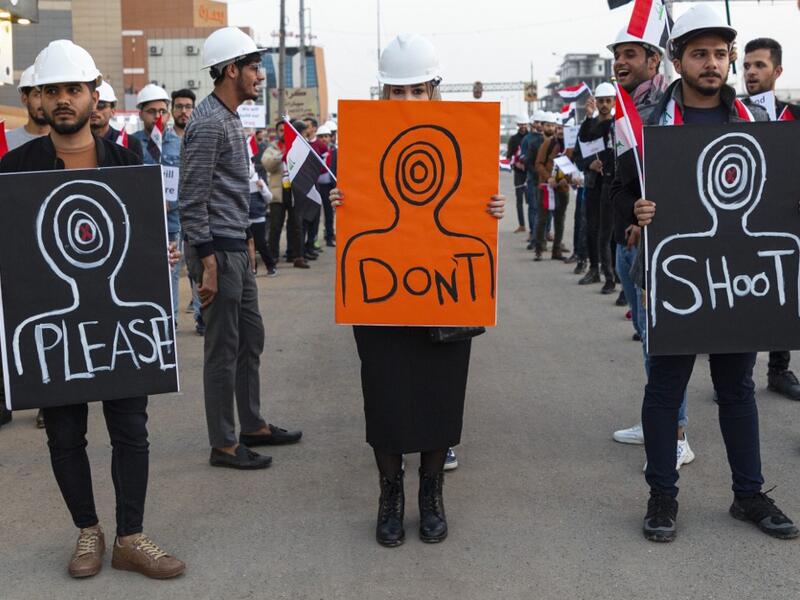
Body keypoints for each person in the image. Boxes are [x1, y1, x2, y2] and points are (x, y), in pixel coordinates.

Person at [0, 39, 185, 579]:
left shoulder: (129, 166)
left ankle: (130, 536)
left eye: (73, 90)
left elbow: (142, 239)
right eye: (52, 90)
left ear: (93, 94)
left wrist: (161, 252)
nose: (63, 100)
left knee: (132, 429)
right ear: (38, 98)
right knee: (64, 434)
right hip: (56, 330)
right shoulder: (14, 171)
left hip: (120, 328)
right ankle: (88, 531)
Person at [329, 33, 505, 547]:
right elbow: (352, 226)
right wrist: (342, 202)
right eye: (396, 91)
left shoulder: (467, 138)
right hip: (381, 297)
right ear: (382, 93)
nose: (406, 101)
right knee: (384, 395)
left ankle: (431, 493)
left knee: (439, 394)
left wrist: (489, 210)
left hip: (447, 296)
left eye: (417, 90)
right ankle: (391, 494)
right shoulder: (358, 141)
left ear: (434, 91)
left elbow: (477, 204)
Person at [631, 6, 796, 542]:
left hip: (738, 281)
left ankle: (749, 494)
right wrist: (635, 214)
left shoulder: (756, 122)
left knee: (737, 390)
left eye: (721, 54)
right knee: (665, 390)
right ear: (677, 59)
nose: (713, 64)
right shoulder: (652, 121)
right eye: (699, 54)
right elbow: (616, 187)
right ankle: (662, 496)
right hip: (678, 279)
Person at [180, 26, 302, 470]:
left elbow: (230, 190)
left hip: (235, 245)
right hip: (217, 252)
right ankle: (225, 443)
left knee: (251, 338)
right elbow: (192, 200)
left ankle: (252, 424)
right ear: (231, 69)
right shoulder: (210, 122)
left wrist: (249, 238)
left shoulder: (229, 117)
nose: (259, 75)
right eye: (253, 67)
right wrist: (209, 262)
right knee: (222, 348)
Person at [608, 28, 694, 470]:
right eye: (616, 56)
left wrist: (653, 219)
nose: (620, 62)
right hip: (631, 243)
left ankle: (676, 433)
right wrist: (630, 217)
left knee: (665, 342)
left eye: (629, 54)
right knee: (647, 339)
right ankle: (659, 420)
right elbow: (621, 184)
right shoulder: (622, 112)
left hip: (665, 247)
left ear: (655, 60)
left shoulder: (669, 109)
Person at [742, 37, 800, 401]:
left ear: (777, 71)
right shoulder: (731, 113)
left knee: (784, 294)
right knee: (741, 296)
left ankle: (778, 369)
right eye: (746, 66)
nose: (750, 72)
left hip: (786, 221)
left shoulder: (793, 115)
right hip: (743, 222)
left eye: (759, 66)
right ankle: (735, 375)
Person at [132, 84, 182, 322]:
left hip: (171, 222)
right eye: (151, 111)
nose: (158, 116)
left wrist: (169, 204)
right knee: (141, 272)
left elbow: (189, 183)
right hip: (140, 223)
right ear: (140, 113)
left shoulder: (181, 144)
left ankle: (169, 322)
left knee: (170, 273)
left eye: (162, 111)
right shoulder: (130, 144)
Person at [575, 84, 616, 294]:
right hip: (592, 184)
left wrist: (607, 167)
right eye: (601, 101)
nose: (605, 105)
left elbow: (620, 154)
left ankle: (612, 275)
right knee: (591, 228)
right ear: (595, 102)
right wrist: (590, 164)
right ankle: (593, 269)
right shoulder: (587, 126)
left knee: (609, 233)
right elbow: (578, 153)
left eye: (608, 100)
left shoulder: (616, 126)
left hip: (610, 184)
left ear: (614, 102)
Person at [261, 120, 306, 268]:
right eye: (280, 130)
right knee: (275, 226)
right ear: (277, 132)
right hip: (278, 192)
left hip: (294, 192)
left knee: (296, 226)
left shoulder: (298, 147)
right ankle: (273, 256)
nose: (283, 133)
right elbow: (267, 164)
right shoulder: (272, 148)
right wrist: (282, 155)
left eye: (285, 130)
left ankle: (297, 256)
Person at [533, 113, 570, 261]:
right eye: (558, 127)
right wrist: (549, 178)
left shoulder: (570, 146)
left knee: (560, 221)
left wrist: (566, 179)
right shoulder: (548, 143)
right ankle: (539, 249)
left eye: (563, 128)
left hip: (562, 189)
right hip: (546, 188)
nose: (560, 130)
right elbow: (539, 164)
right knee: (542, 219)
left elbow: (574, 166)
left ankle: (556, 250)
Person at [89, 81, 143, 161]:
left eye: (101, 105)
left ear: (113, 111)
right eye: (90, 105)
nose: (94, 110)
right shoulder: (73, 144)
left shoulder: (131, 144)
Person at [6, 65, 50, 151]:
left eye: (49, 94)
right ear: (24, 99)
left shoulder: (67, 142)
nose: (43, 102)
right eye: (37, 95)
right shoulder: (6, 142)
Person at [506, 115, 529, 233]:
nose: (523, 126)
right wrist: (515, 164)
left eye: (525, 124)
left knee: (531, 201)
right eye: (521, 124)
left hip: (530, 173)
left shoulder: (532, 138)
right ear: (518, 125)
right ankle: (522, 225)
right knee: (519, 200)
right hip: (518, 174)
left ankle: (533, 227)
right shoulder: (513, 139)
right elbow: (509, 156)